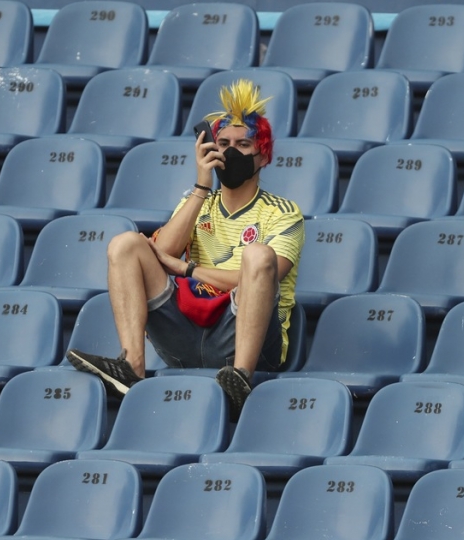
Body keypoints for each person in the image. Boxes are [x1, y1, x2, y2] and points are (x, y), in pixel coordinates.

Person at [67, 78, 305, 416]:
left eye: (244, 144)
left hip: (240, 336)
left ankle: (241, 377)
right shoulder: (197, 202)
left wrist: (188, 269)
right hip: (185, 334)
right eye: (222, 143)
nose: (231, 151)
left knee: (258, 255)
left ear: (263, 155)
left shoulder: (283, 212)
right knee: (126, 245)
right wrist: (200, 186)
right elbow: (161, 252)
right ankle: (132, 368)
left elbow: (268, 275)